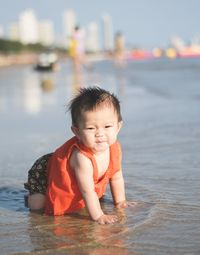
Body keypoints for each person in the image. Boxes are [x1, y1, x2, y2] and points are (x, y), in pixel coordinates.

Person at [24, 86, 135, 224]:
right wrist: (99, 216)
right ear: (76, 132)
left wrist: (120, 202)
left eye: (107, 127)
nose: (100, 133)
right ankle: (31, 197)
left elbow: (116, 177)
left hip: (73, 171)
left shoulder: (115, 148)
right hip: (45, 169)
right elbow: (87, 191)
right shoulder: (81, 158)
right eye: (90, 128)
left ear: (118, 127)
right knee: (37, 207)